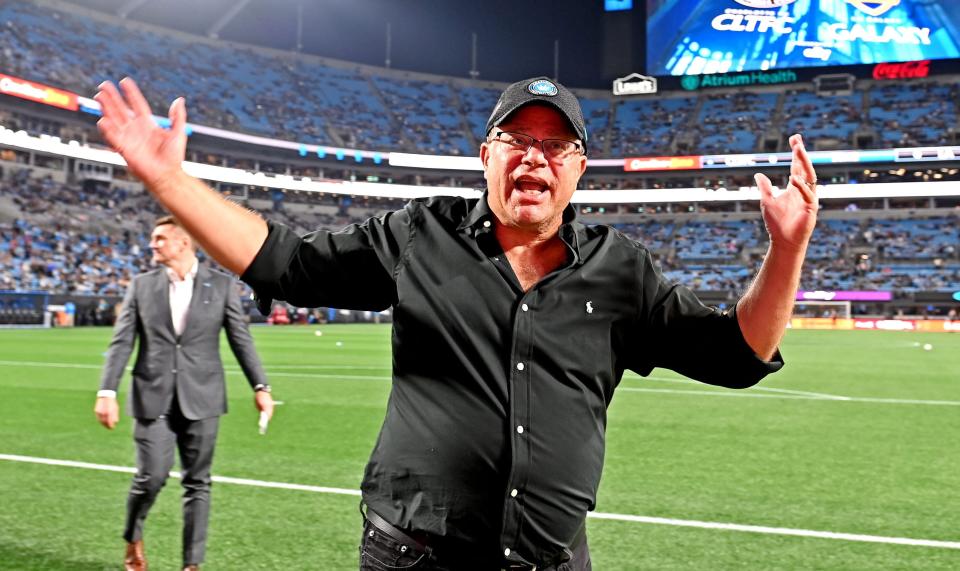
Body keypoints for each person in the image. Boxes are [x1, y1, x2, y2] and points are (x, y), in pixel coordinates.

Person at [94, 75, 818, 570]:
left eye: (555, 144)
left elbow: (737, 353)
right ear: (486, 156)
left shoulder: (621, 270)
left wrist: (786, 250)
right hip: (412, 554)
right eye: (516, 139)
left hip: (552, 557)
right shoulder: (419, 234)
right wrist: (169, 183)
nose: (535, 155)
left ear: (578, 168)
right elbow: (285, 263)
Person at [94, 215, 275, 571]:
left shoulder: (221, 286)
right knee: (151, 477)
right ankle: (133, 537)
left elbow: (241, 340)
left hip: (203, 397)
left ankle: (192, 565)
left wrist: (261, 386)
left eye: (160, 238)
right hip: (152, 396)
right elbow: (121, 343)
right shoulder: (141, 285)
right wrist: (106, 391)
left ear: (183, 242)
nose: (153, 244)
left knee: (198, 484)